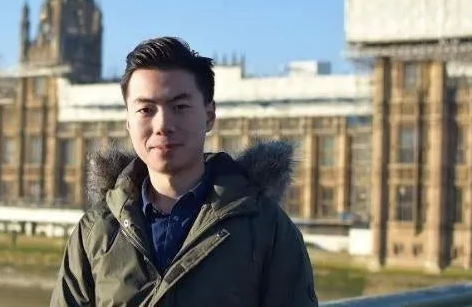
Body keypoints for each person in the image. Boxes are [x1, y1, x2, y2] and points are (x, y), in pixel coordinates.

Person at [50, 36, 318, 307]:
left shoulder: (266, 228)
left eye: (179, 107)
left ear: (209, 115)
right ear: (128, 121)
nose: (162, 125)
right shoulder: (94, 231)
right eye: (146, 109)